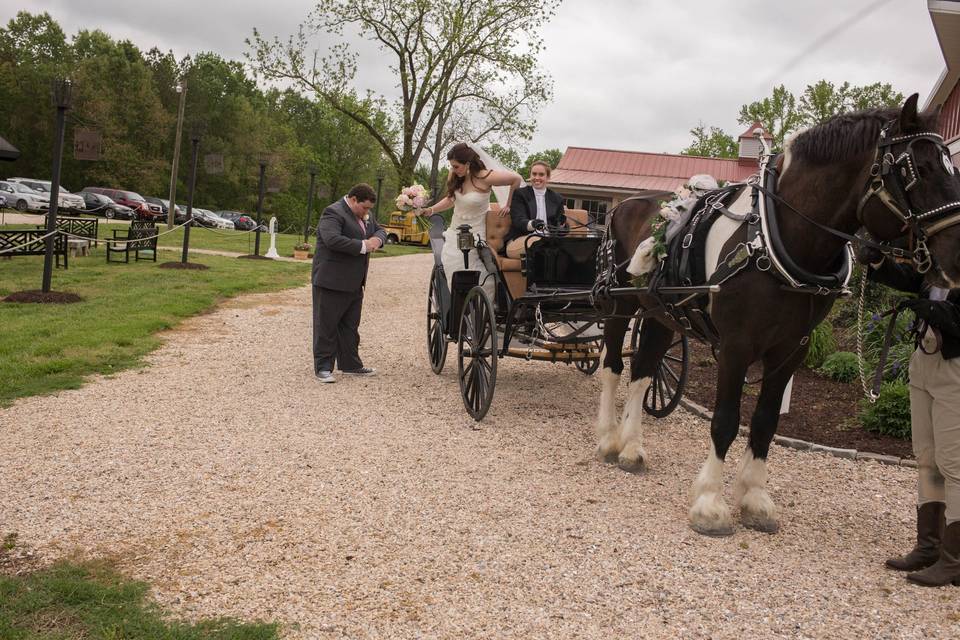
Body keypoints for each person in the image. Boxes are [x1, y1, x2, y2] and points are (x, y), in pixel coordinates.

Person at [859, 245, 960, 587]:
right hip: (925, 360)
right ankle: (929, 546)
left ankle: (954, 559)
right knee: (927, 458)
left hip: (956, 368)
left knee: (954, 463)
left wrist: (934, 310)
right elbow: (913, 280)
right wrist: (877, 262)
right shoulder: (943, 255)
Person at [422, 142, 522, 296]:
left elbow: (516, 179)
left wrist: (508, 204)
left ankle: (481, 311)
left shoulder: (485, 177)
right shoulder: (457, 177)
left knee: (479, 274)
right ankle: (460, 309)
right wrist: (431, 209)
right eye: (451, 166)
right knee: (452, 265)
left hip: (477, 232)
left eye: (456, 166)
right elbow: (450, 199)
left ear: (467, 164)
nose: (453, 170)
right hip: (455, 231)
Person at [311, 184, 387, 383]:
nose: (367, 212)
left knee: (350, 326)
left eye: (369, 209)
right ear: (353, 200)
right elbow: (332, 239)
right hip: (331, 280)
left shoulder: (363, 215)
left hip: (354, 282)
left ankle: (351, 364)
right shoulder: (333, 212)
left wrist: (377, 240)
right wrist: (363, 245)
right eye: (364, 208)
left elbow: (380, 230)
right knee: (326, 326)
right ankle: (323, 368)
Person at [504, 160, 567, 259]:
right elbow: (518, 220)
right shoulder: (520, 194)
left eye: (541, 174)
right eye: (534, 174)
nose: (537, 178)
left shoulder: (557, 198)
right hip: (520, 239)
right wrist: (533, 224)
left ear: (548, 177)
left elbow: (559, 227)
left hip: (548, 240)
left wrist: (563, 226)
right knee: (538, 243)